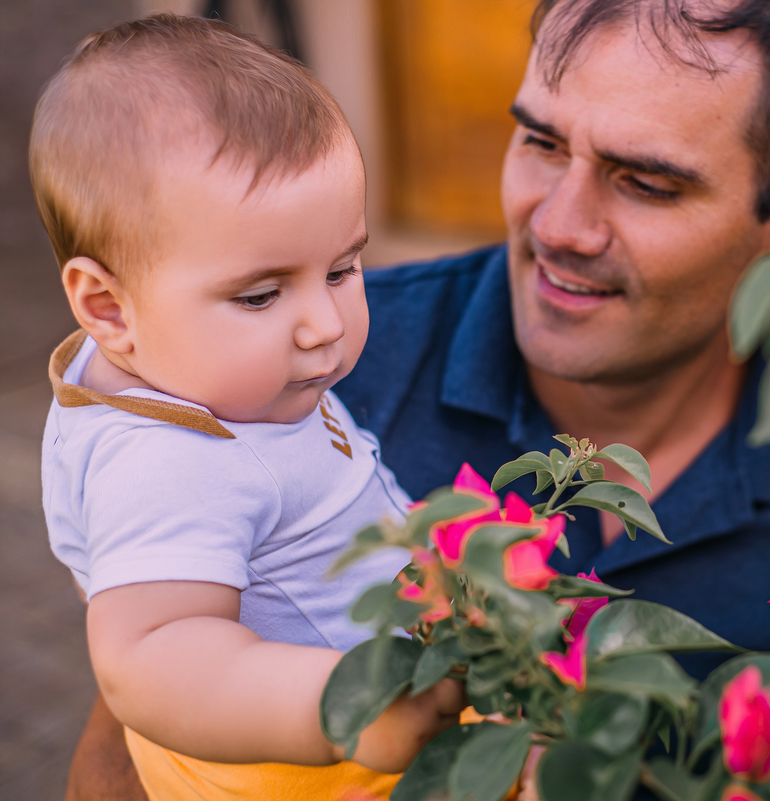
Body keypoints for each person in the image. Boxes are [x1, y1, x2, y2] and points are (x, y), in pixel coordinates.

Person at [64, 1, 770, 798]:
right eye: (541, 143)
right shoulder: (293, 378)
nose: (556, 225)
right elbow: (137, 728)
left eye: (647, 182)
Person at [32, 15, 465, 801]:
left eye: (343, 268)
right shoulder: (165, 460)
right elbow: (153, 655)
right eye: (262, 293)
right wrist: (346, 703)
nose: (325, 324)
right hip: (305, 767)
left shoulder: (198, 366)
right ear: (108, 306)